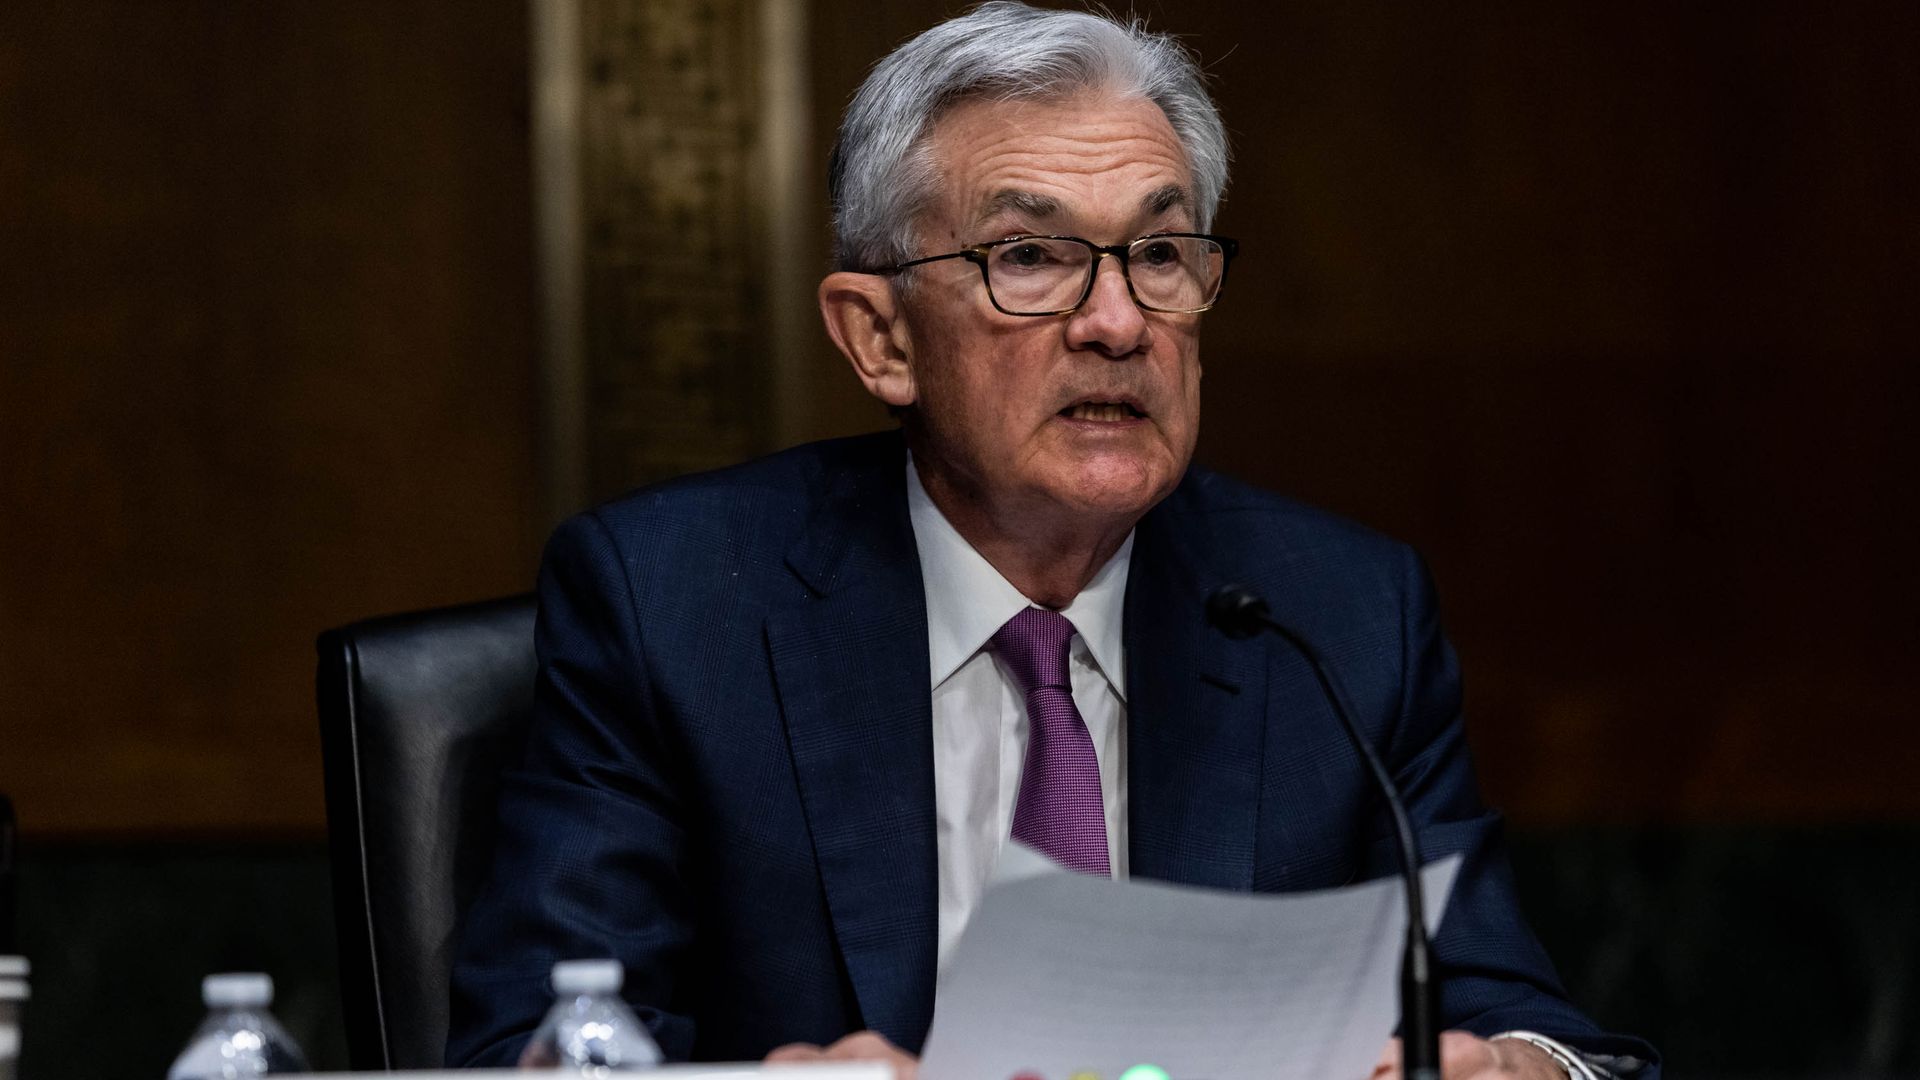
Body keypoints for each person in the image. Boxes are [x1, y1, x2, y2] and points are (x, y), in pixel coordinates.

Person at [447, 4, 1659, 1077]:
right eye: (1029, 257)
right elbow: (538, 1056)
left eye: (1159, 253)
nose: (1119, 322)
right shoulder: (674, 605)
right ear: (881, 338)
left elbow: (1537, 1023)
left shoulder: (1336, 611)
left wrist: (1520, 1069)